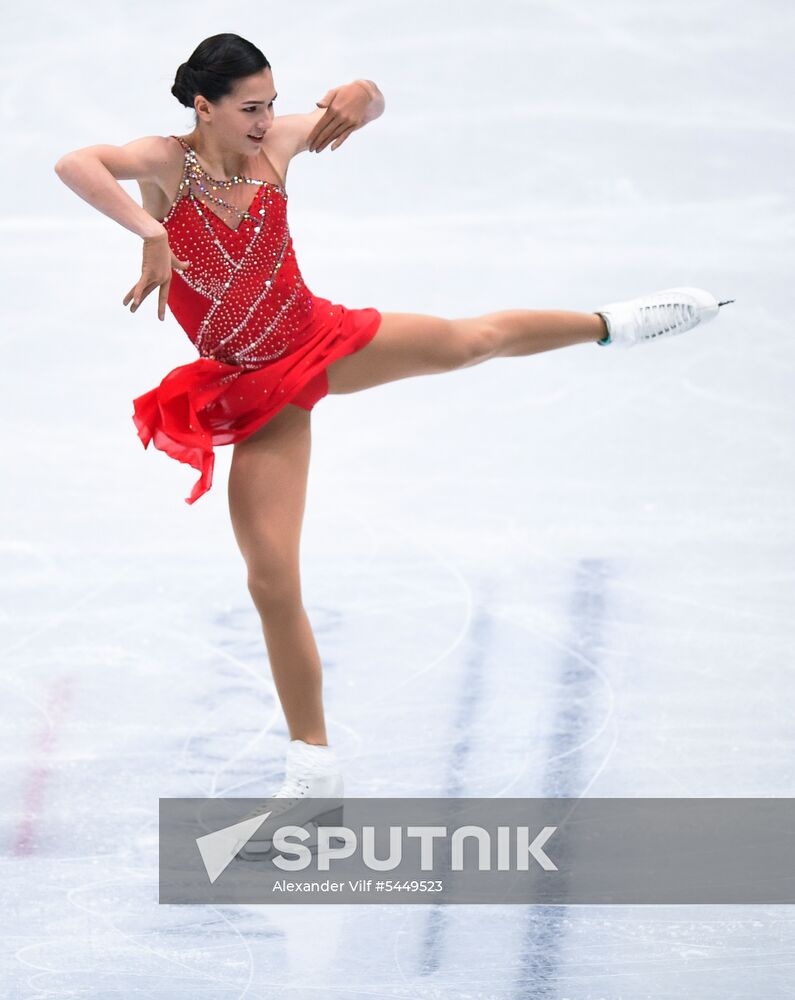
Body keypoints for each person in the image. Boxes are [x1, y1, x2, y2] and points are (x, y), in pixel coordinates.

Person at [54, 32, 733, 858]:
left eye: (273, 103)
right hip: (254, 390)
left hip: (318, 338)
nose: (266, 120)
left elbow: (366, 103)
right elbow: (75, 164)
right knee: (271, 579)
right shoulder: (163, 162)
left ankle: (615, 322)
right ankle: (314, 775)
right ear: (204, 106)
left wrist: (360, 91)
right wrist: (149, 229)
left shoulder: (277, 146)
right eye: (250, 107)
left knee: (470, 340)